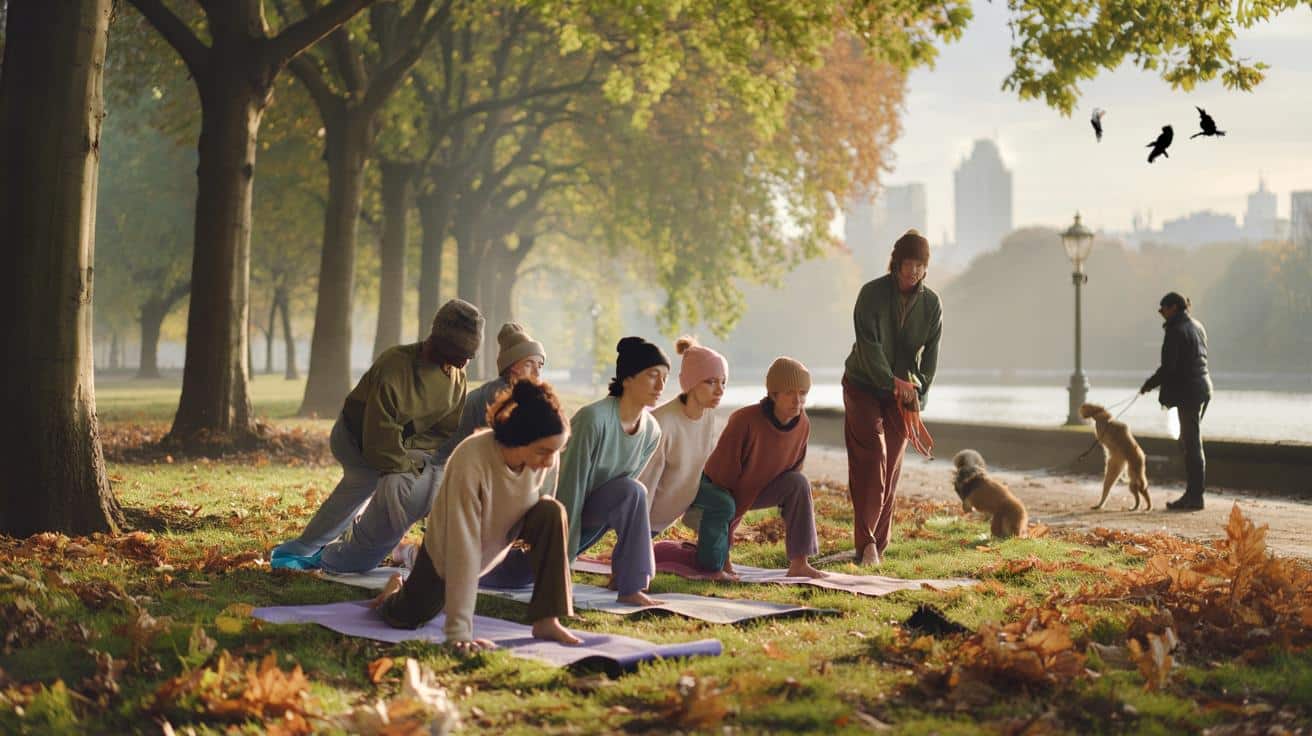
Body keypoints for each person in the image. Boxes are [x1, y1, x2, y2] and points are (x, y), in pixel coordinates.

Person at [270, 299, 483, 572]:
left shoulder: (456, 377)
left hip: (397, 445)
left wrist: (420, 461)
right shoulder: (395, 366)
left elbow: (443, 430)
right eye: (461, 352)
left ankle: (333, 546)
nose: (465, 361)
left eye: (471, 355)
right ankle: (299, 551)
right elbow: (378, 435)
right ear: (441, 340)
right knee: (361, 486)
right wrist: (404, 466)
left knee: (386, 487)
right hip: (356, 438)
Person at [371, 380, 580, 651]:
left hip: (499, 544)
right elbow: (463, 544)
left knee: (552, 510)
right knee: (405, 618)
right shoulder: (471, 458)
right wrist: (460, 633)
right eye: (544, 452)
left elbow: (542, 513)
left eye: (557, 451)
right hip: (445, 557)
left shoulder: (543, 458)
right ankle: (394, 591)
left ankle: (546, 620)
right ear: (520, 438)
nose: (550, 461)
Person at [842, 229, 943, 566]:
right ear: (896, 263)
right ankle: (866, 543)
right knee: (871, 456)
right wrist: (890, 381)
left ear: (926, 268)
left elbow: (930, 357)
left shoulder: (931, 304)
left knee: (893, 464)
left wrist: (919, 391)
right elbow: (869, 347)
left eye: (920, 264)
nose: (913, 270)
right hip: (863, 383)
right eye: (908, 263)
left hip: (903, 395)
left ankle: (875, 549)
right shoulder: (871, 294)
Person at [686, 357, 825, 579]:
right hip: (718, 488)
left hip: (762, 485)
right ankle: (718, 554)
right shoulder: (744, 420)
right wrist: (725, 552)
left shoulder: (803, 424)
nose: (797, 400)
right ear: (773, 394)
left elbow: (794, 468)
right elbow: (722, 478)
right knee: (725, 506)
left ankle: (800, 562)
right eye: (790, 393)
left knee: (799, 483)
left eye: (803, 393)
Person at [555, 337, 667, 606]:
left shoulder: (652, 430)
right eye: (653, 376)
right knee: (501, 574)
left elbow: (627, 503)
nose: (661, 386)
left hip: (591, 519)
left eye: (665, 377)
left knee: (632, 491)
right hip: (550, 525)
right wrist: (561, 566)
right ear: (627, 379)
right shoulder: (593, 420)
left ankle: (631, 586)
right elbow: (569, 488)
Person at [637, 336, 728, 537]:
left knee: (726, 499)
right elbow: (644, 483)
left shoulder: (708, 414)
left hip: (683, 504)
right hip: (649, 520)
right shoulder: (661, 423)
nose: (720, 390)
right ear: (691, 383)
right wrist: (635, 534)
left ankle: (704, 536)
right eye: (711, 382)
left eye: (723, 382)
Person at [1140, 292, 1213, 511]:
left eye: (1162, 308)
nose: (1161, 313)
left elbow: (1169, 367)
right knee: (1189, 441)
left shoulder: (1176, 330)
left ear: (1173, 308)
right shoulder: (1197, 326)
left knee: (1191, 444)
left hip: (1189, 392)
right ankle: (1193, 494)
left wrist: (1149, 384)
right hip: (1202, 388)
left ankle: (1195, 497)